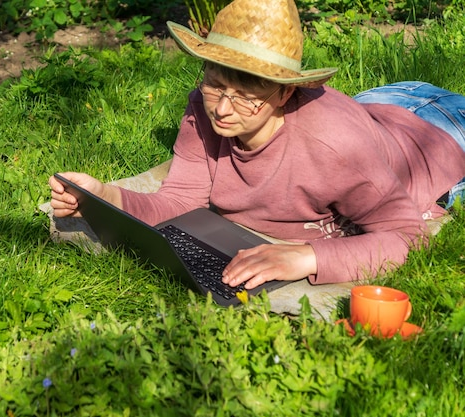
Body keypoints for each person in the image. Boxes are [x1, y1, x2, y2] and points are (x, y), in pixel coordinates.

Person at [49, 0, 465, 290]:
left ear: (286, 93)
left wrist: (306, 257)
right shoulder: (204, 108)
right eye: (215, 84)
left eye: (247, 94)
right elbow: (179, 201)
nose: (224, 109)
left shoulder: (336, 149)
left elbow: (408, 236)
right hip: (378, 104)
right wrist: (105, 196)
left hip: (439, 130)